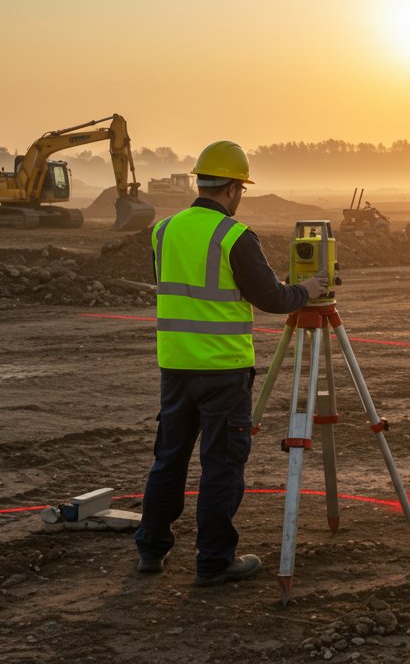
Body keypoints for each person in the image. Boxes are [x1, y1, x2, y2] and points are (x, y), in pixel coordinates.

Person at [134, 140, 328, 586]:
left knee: (169, 459)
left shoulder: (163, 230)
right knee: (221, 465)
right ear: (235, 189)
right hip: (222, 370)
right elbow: (272, 298)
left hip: (176, 365)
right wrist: (308, 290)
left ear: (201, 181)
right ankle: (215, 560)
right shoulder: (235, 236)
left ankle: (151, 547)